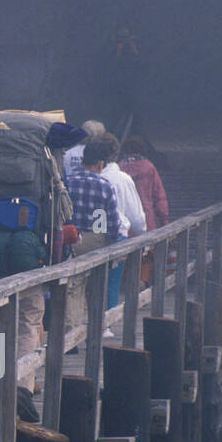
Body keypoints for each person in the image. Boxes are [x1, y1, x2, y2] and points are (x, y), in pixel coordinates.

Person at [63, 136, 122, 339]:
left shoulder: (68, 183)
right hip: (97, 240)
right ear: (100, 164)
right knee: (97, 287)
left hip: (72, 239)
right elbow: (113, 221)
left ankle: (72, 334)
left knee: (74, 288)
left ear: (82, 161)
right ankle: (97, 329)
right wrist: (112, 241)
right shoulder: (105, 185)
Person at [96, 133, 146, 313]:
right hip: (117, 236)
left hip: (91, 235)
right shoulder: (122, 179)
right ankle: (106, 324)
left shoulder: (90, 176)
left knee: (91, 283)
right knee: (112, 283)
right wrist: (142, 234)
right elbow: (136, 217)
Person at [119, 136, 172, 287]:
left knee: (123, 255)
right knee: (147, 255)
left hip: (124, 220)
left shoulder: (118, 168)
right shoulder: (149, 167)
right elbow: (159, 196)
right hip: (146, 219)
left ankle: (124, 283)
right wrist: (164, 220)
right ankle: (142, 282)